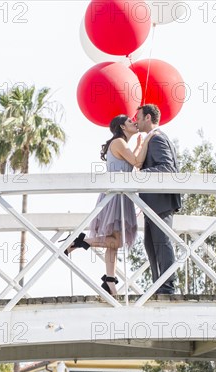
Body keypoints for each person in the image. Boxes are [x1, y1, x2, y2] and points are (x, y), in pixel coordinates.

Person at [63, 114, 156, 296]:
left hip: (119, 196)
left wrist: (138, 145)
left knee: (113, 242)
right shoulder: (118, 143)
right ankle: (78, 242)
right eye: (130, 121)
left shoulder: (122, 144)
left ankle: (109, 281)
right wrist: (147, 140)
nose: (134, 122)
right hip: (115, 197)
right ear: (122, 126)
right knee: (117, 241)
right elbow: (137, 162)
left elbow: (132, 163)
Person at [135, 104, 181, 294]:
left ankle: (168, 286)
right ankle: (159, 285)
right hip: (152, 203)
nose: (135, 121)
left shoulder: (157, 139)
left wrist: (140, 175)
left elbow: (168, 169)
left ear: (147, 118)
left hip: (160, 201)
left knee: (162, 243)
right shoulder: (151, 139)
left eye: (138, 117)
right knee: (150, 244)